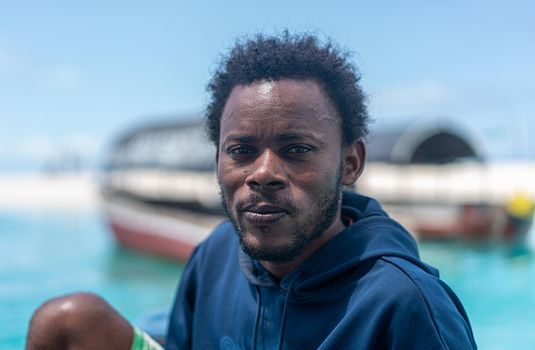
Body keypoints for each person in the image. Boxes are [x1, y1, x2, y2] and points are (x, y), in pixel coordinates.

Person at [27, 32, 477, 350]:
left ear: (350, 164)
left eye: (297, 149)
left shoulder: (403, 304)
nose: (262, 173)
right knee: (68, 321)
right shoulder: (216, 254)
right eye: (241, 150)